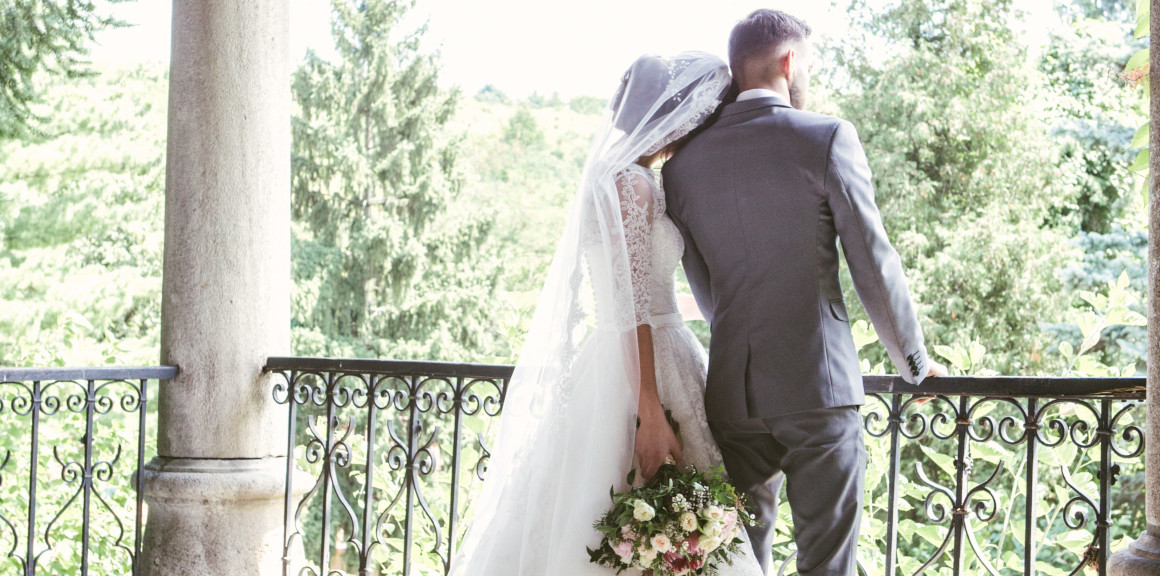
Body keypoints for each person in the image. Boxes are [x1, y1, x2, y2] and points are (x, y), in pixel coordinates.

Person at [447, 53, 764, 575]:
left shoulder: (622, 176)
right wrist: (650, 410)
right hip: (644, 364)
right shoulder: (630, 184)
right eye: (697, 116)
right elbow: (633, 303)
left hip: (637, 354)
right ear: (672, 115)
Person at [662, 10, 948, 576]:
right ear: (789, 62)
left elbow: (704, 282)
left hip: (732, 396)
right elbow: (872, 263)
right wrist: (912, 361)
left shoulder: (682, 167)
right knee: (827, 565)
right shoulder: (825, 137)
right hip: (817, 391)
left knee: (741, 559)